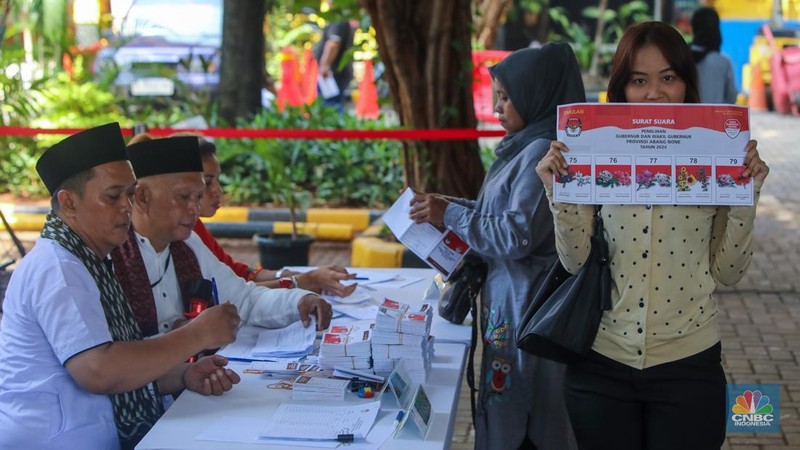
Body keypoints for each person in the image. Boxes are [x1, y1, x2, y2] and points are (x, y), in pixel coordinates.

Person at [536, 22, 770, 450]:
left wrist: (744, 193)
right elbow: (574, 261)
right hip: (599, 363)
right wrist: (560, 190)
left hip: (688, 366)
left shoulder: (717, 153)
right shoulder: (594, 149)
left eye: (668, 78)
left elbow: (730, 272)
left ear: (686, 83)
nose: (654, 94)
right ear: (621, 88)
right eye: (639, 81)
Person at [0, 123, 241, 449]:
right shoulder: (58, 267)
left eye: (129, 194)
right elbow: (99, 370)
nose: (127, 206)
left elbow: (118, 362)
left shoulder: (90, 261)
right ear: (68, 203)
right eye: (113, 196)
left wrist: (182, 375)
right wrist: (196, 335)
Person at [408, 43, 581, 449]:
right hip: (509, 302)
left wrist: (449, 216)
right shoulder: (521, 146)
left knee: (524, 406)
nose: (497, 107)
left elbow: (515, 234)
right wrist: (448, 205)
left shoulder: (542, 151)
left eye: (506, 97)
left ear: (536, 94)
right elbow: (493, 209)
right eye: (496, 96)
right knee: (506, 396)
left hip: (528, 306)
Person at [111, 136, 332, 338]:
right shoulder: (111, 257)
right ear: (142, 197)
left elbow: (244, 300)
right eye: (183, 196)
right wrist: (189, 337)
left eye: (198, 197)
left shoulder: (188, 245)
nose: (194, 209)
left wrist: (299, 301)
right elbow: (111, 356)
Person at [192, 135, 357, 296]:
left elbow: (235, 272)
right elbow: (230, 293)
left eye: (217, 180)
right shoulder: (180, 238)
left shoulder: (194, 227)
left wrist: (295, 276)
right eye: (207, 182)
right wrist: (304, 280)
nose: (218, 190)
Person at [691, 7, 738, 104]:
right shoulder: (723, 62)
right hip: (716, 117)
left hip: (687, 117)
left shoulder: (681, 57)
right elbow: (731, 97)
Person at [314, 19, 354, 111]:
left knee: (331, 105)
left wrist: (325, 65)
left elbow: (333, 43)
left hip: (332, 73)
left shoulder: (338, 19)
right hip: (333, 71)